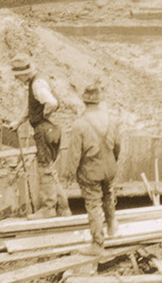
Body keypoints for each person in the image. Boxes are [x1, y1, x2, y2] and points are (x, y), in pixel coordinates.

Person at [59, 82, 123, 249]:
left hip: (91, 171)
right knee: (108, 194)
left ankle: (97, 242)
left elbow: (74, 155)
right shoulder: (112, 120)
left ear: (84, 102)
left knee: (93, 203)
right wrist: (112, 162)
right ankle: (111, 227)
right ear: (99, 101)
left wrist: (68, 177)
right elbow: (117, 147)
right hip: (109, 168)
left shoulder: (79, 124)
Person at [13, 57, 70, 216]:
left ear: (24, 74)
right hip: (50, 129)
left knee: (44, 169)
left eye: (18, 76)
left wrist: (44, 116)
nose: (17, 79)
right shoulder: (35, 83)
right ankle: (63, 208)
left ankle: (48, 209)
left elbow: (51, 102)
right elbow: (30, 108)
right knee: (50, 169)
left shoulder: (37, 84)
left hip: (44, 130)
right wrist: (18, 122)